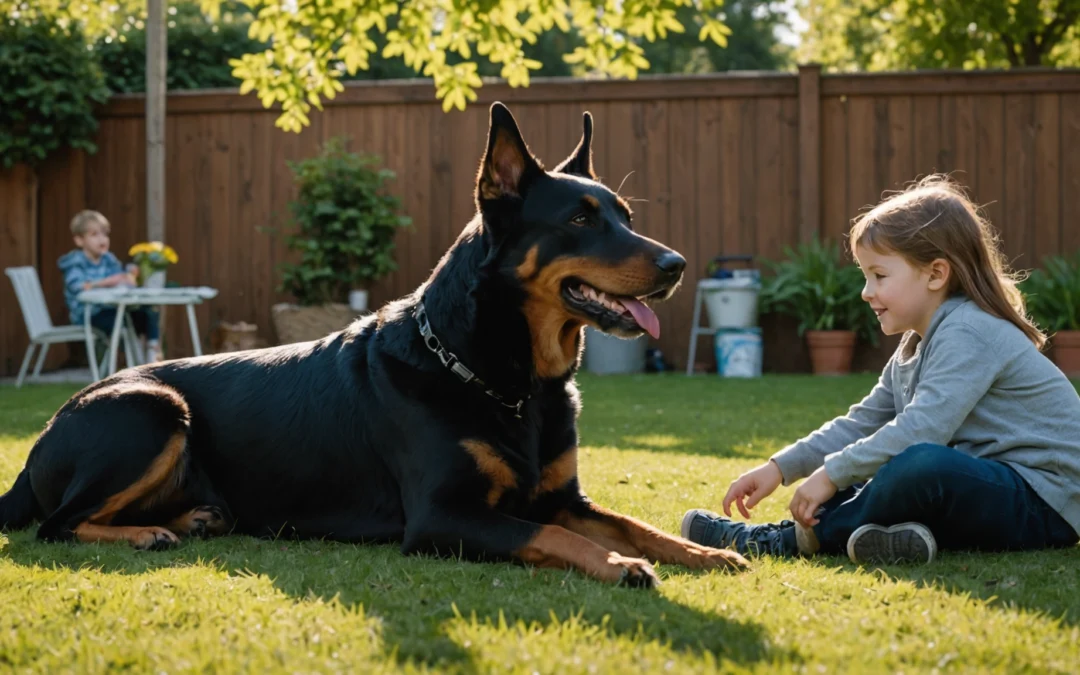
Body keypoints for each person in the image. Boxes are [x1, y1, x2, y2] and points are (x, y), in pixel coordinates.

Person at [682, 175, 1080, 565]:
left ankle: (784, 542)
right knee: (875, 470)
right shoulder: (915, 345)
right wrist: (779, 467)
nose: (866, 291)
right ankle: (893, 539)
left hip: (1047, 503)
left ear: (936, 274)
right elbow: (861, 424)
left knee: (919, 464)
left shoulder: (970, 330)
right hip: (994, 492)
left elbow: (923, 429)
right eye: (865, 276)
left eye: (880, 275)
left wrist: (831, 473)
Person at [58, 209, 163, 362]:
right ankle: (138, 365)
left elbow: (119, 275)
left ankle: (153, 357)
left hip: (114, 309)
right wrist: (106, 283)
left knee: (147, 313)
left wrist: (129, 273)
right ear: (79, 240)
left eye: (104, 234)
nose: (102, 239)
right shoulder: (75, 263)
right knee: (124, 322)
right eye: (94, 235)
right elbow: (77, 287)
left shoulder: (108, 259)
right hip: (89, 315)